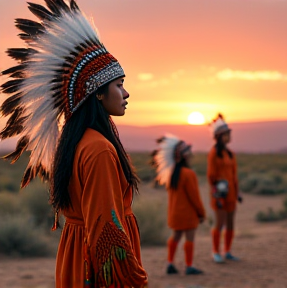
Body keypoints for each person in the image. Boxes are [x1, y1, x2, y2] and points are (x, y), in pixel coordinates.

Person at [0, 1, 148, 287]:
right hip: (96, 268)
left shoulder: (78, 142)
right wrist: (132, 279)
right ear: (98, 94)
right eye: (119, 85)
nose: (126, 93)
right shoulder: (99, 149)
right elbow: (107, 232)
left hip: (76, 256)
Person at [152, 134, 206, 275]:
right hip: (188, 214)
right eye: (187, 151)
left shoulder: (171, 174)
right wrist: (201, 213)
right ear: (182, 156)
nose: (190, 153)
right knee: (190, 239)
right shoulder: (189, 174)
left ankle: (170, 263)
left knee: (175, 237)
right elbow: (195, 197)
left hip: (175, 213)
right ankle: (189, 266)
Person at [207, 114, 242, 263]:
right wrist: (217, 195)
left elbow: (234, 175)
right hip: (219, 195)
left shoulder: (231, 154)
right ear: (220, 136)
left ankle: (227, 251)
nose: (230, 136)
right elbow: (211, 176)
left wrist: (237, 192)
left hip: (231, 195)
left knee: (230, 223)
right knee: (219, 223)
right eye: (228, 134)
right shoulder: (214, 153)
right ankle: (216, 251)